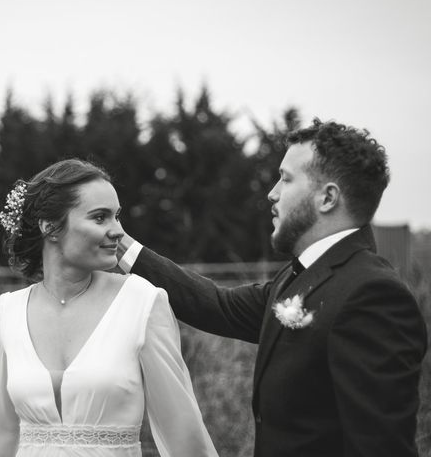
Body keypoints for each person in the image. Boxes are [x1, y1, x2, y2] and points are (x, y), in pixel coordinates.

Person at [116, 119, 428, 457]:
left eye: (287, 178)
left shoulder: (373, 296)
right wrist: (122, 246)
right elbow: (219, 305)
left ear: (328, 198)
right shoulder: (298, 276)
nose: (272, 193)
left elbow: (381, 448)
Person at [0, 158, 219, 457]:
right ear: (50, 227)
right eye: (100, 217)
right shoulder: (8, 311)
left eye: (117, 216)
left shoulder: (141, 302)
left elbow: (182, 432)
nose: (118, 231)